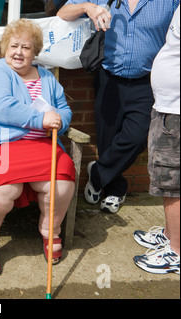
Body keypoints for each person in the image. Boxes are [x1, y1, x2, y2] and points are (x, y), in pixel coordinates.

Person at [0, 19, 75, 276]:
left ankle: (49, 232)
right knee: (2, 186)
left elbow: (63, 109)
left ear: (35, 52)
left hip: (39, 145)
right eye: (14, 46)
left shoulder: (46, 76)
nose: (19, 52)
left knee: (62, 180)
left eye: (26, 47)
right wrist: (40, 119)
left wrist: (59, 121)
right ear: (5, 48)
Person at [57, 0, 180, 214]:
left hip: (146, 80)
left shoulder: (168, 2)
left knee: (138, 136)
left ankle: (97, 174)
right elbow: (63, 13)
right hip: (108, 79)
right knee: (108, 138)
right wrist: (87, 8)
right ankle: (114, 189)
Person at [133, 7, 180, 275]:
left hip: (176, 111)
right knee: (170, 177)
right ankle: (172, 233)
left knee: (172, 181)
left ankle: (176, 251)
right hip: (169, 106)